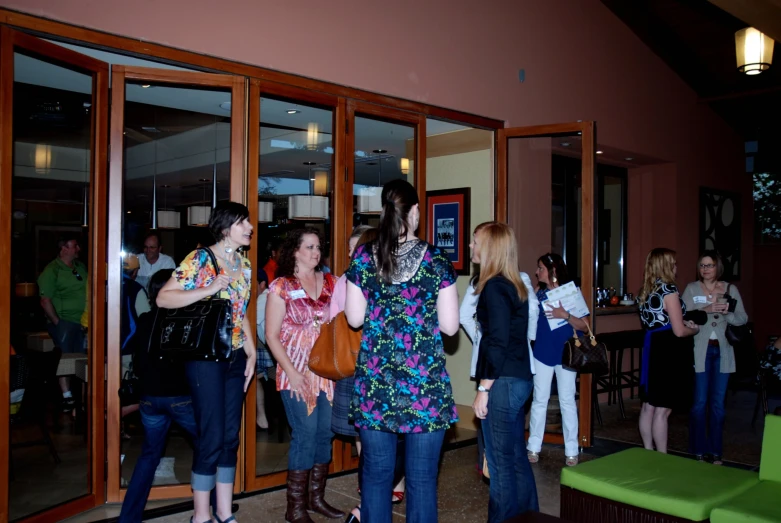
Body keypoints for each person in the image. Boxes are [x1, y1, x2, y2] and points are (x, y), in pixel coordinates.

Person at [344, 179, 460, 523]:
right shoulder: (437, 259)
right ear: (414, 212)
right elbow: (451, 327)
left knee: (377, 478)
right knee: (422, 481)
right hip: (423, 386)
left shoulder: (365, 256)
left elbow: (353, 318)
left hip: (376, 387)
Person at [156, 201, 256, 523]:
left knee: (230, 436)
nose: (250, 227)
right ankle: (201, 515)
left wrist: (252, 351)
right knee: (211, 435)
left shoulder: (245, 264)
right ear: (227, 227)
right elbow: (164, 298)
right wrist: (209, 288)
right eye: (244, 222)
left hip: (235, 356)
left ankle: (224, 513)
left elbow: (240, 313)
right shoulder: (202, 259)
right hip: (205, 359)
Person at [265, 228, 343, 523]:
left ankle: (316, 498)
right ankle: (294, 506)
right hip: (294, 371)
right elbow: (272, 336)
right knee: (306, 435)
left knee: (325, 434)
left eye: (318, 247)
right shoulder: (281, 287)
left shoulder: (333, 283)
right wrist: (292, 373)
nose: (316, 252)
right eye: (309, 247)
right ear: (294, 251)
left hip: (326, 372)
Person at [470, 222, 538, 522]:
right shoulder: (512, 284)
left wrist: (484, 388)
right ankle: (528, 516)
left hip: (503, 382)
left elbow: (496, 340)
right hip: (519, 378)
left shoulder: (495, 286)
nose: (471, 246)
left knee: (499, 464)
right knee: (515, 458)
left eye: (475, 242)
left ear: (490, 248)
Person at [118, 269, 198, 523]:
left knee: (148, 456)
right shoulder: (186, 320)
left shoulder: (145, 320)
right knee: (209, 449)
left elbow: (138, 361)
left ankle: (129, 518)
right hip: (180, 397)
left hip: (149, 398)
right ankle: (212, 508)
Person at [682, 251, 748, 464]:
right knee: (699, 403)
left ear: (717, 267)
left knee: (718, 405)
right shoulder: (692, 289)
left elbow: (742, 318)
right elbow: (683, 315)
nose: (705, 269)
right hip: (700, 351)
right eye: (702, 265)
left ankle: (716, 451)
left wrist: (728, 312)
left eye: (709, 265)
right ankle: (698, 449)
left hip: (723, 352)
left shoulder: (730, 289)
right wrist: (706, 308)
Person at [527, 253, 589, 466]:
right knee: (539, 400)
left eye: (541, 268)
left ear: (552, 271)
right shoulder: (538, 293)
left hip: (566, 353)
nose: (537, 272)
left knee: (567, 400)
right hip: (542, 352)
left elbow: (585, 326)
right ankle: (533, 446)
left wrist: (566, 315)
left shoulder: (571, 292)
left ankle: (571, 449)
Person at [637, 248, 699, 454]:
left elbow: (660, 322)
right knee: (663, 409)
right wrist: (694, 328)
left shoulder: (646, 290)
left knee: (648, 405)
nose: (676, 266)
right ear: (665, 265)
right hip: (668, 351)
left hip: (652, 347)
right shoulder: (668, 290)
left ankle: (648, 451)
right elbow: (679, 331)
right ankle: (662, 455)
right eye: (673, 263)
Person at [37, 236, 88, 412]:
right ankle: (67, 397)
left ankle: (84, 398)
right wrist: (58, 323)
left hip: (83, 321)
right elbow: (45, 300)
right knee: (66, 357)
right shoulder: (52, 270)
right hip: (64, 321)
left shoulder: (80, 267)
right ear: (64, 249)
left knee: (82, 358)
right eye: (75, 246)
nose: (78, 249)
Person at [255, 268, 274, 430]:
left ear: (262, 284)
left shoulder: (263, 298)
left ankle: (261, 415)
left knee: (251, 373)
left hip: (275, 363)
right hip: (273, 357)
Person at [120, 254, 150, 353]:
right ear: (135, 271)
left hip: (104, 345)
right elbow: (145, 319)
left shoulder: (106, 284)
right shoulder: (136, 289)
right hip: (128, 346)